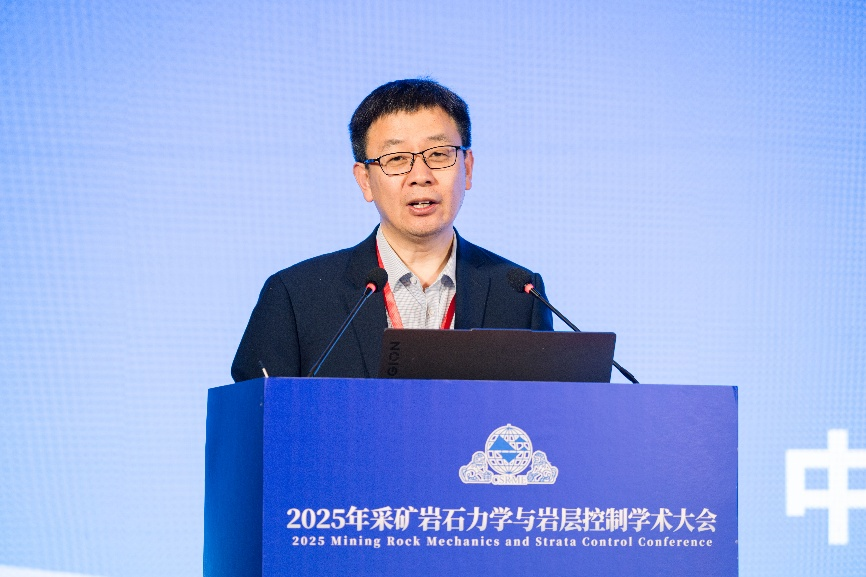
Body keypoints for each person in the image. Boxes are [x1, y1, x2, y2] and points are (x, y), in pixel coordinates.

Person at [231, 79, 553, 381]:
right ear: (365, 180)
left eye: (438, 154)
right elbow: (254, 415)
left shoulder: (521, 295)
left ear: (467, 168)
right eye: (397, 159)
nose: (421, 176)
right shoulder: (295, 297)